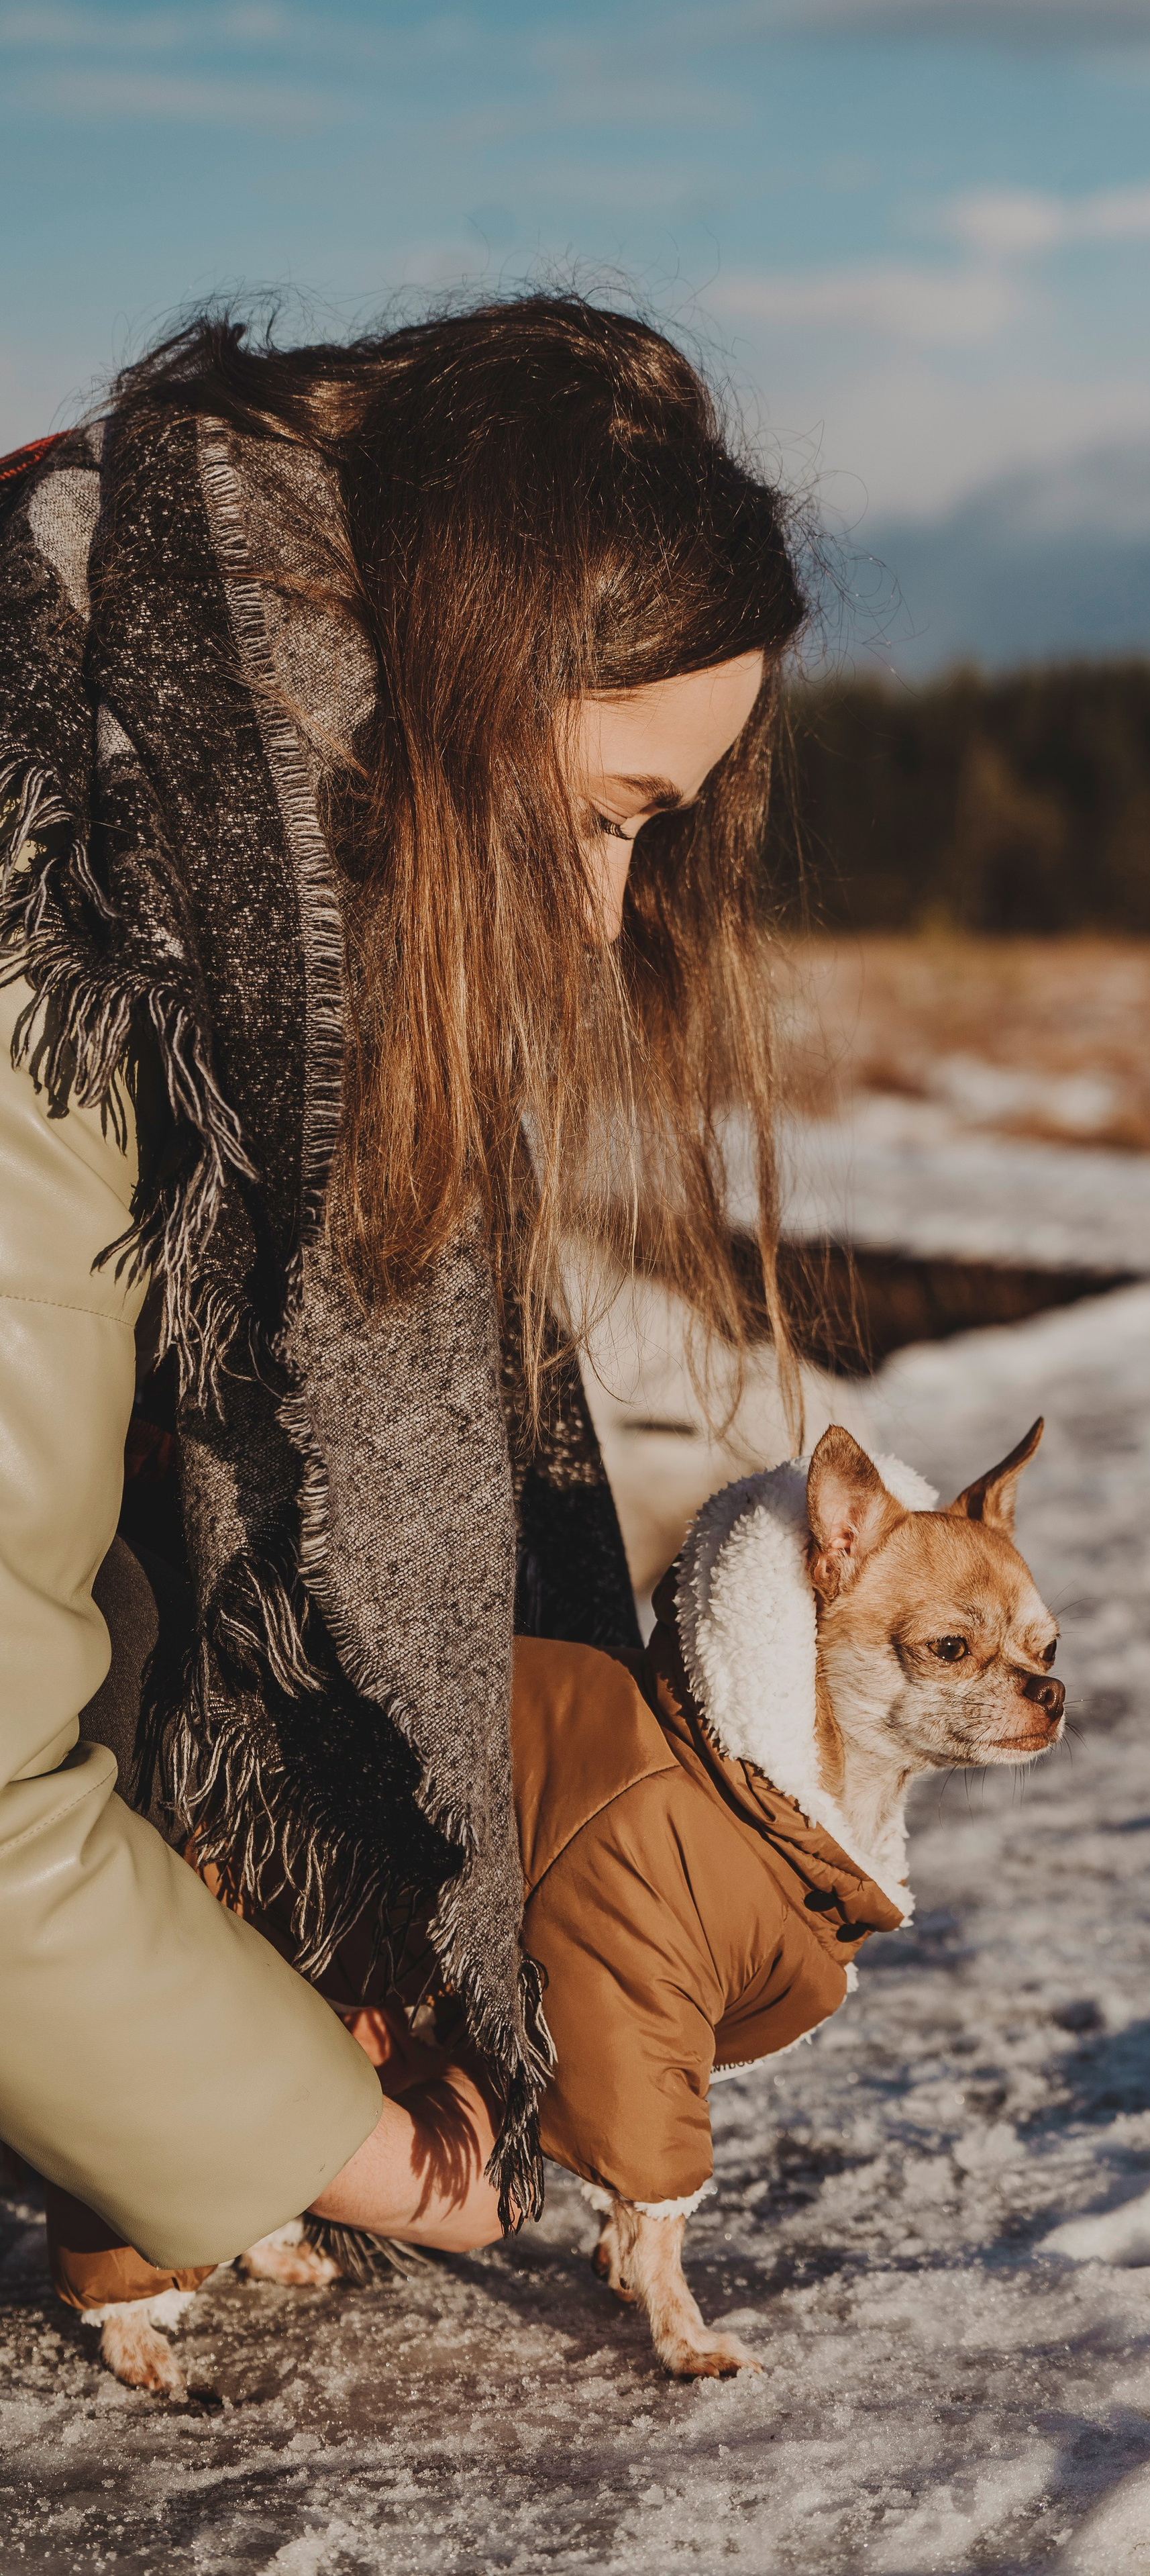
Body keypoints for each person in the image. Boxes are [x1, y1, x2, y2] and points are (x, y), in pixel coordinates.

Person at [0, 291, 808, 2288]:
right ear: (440, 679)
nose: (607, 911)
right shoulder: (50, 932)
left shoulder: (193, 826)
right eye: (612, 814)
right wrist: (356, 2150)